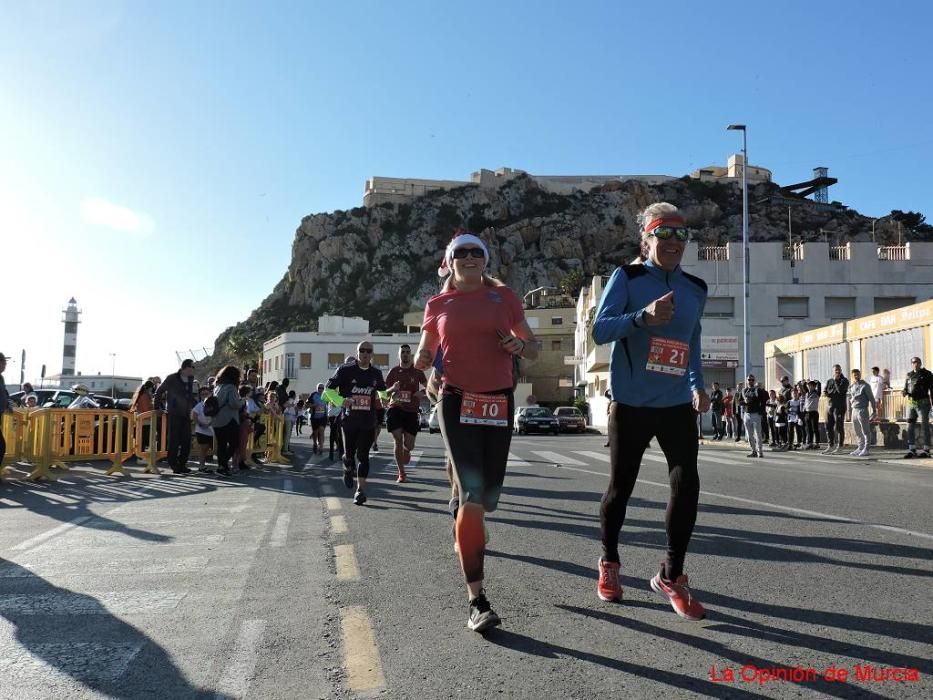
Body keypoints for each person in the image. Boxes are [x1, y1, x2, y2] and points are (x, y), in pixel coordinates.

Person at [587, 203, 709, 621]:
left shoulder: (696, 288)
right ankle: (609, 562)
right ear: (647, 238)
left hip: (676, 404)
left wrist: (699, 387)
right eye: (663, 232)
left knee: (687, 485)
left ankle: (672, 575)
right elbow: (600, 330)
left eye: (681, 233)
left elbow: (691, 344)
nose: (673, 241)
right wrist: (643, 317)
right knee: (620, 489)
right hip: (632, 404)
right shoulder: (629, 277)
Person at [415, 230, 538, 633]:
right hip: (456, 398)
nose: (469, 257)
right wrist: (422, 363)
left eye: (476, 252)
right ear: (449, 262)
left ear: (485, 260)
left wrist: (519, 348)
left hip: (499, 400)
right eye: (461, 253)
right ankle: (477, 601)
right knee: (470, 495)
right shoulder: (438, 303)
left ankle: (471, 519)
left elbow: (533, 346)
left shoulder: (505, 298)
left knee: (488, 498)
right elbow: (425, 349)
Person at [327, 342, 386, 505]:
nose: (365, 353)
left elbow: (382, 392)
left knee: (363, 456)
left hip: (368, 420)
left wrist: (389, 396)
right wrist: (341, 400)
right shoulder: (345, 370)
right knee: (349, 455)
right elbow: (327, 391)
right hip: (349, 420)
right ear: (357, 352)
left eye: (369, 351)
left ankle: (360, 490)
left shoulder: (376, 373)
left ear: (372, 354)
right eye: (362, 350)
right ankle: (347, 468)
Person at [385, 344, 428, 483]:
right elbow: (384, 392)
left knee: (409, 445)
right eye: (402, 352)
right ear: (399, 355)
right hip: (395, 408)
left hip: (411, 411)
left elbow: (429, 387)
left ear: (411, 355)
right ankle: (401, 473)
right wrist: (393, 388)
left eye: (407, 352)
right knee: (397, 439)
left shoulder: (417, 372)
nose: (405, 354)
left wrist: (421, 393)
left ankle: (407, 450)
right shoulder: (393, 372)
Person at [153, 360, 197, 474]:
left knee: (187, 440)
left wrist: (197, 406)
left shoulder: (190, 379)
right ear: (186, 367)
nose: (193, 369)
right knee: (174, 441)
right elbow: (159, 391)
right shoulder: (172, 378)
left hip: (186, 414)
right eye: (192, 367)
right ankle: (174, 465)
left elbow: (189, 395)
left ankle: (182, 464)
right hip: (174, 413)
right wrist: (157, 407)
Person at [212, 365, 243, 476]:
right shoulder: (231, 387)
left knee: (221, 444)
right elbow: (234, 404)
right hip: (229, 419)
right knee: (234, 443)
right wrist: (242, 401)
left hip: (216, 420)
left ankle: (222, 467)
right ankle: (222, 465)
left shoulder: (217, 386)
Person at [902, 357, 933, 458]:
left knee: (924, 426)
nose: (915, 364)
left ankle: (926, 450)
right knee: (910, 426)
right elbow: (906, 388)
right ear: (911, 364)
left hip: (923, 404)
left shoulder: (927, 374)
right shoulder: (909, 375)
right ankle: (912, 449)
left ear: (920, 363)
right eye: (913, 362)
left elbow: (932, 389)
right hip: (911, 404)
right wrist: (904, 391)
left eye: (917, 362)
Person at [848, 369, 876, 457]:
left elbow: (871, 398)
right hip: (854, 409)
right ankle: (860, 447)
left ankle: (866, 449)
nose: (856, 376)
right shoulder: (851, 386)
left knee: (865, 430)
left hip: (862, 409)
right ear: (852, 376)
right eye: (854, 375)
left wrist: (874, 410)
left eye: (858, 375)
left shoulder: (865, 386)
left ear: (860, 375)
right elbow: (850, 398)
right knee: (857, 431)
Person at [823, 364, 849, 455]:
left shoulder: (844, 380)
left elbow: (840, 391)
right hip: (830, 406)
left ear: (841, 370)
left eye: (838, 370)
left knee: (838, 427)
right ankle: (830, 445)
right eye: (835, 370)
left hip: (839, 407)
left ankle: (840, 446)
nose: (837, 371)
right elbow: (825, 391)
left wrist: (836, 381)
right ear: (833, 371)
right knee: (828, 426)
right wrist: (826, 393)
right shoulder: (829, 380)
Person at [740, 375, 768, 458]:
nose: (750, 381)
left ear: (754, 381)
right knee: (749, 435)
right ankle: (753, 451)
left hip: (756, 414)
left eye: (752, 380)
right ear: (747, 380)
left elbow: (764, 401)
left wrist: (761, 412)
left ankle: (760, 451)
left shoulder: (758, 390)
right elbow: (739, 401)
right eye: (749, 379)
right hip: (747, 414)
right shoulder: (744, 390)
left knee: (758, 434)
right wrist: (744, 402)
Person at [191, 386, 215, 472]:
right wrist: (201, 424)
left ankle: (222, 466)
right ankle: (201, 466)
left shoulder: (214, 404)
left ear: (210, 394)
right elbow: (194, 416)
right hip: (202, 430)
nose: (205, 396)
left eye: (206, 394)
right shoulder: (199, 405)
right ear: (200, 396)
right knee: (203, 449)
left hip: (213, 430)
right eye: (202, 394)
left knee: (217, 449)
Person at [867, 366, 884, 446]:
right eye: (872, 371)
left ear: (877, 371)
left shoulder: (880, 378)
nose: (873, 372)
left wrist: (880, 397)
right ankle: (872, 417)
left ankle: (876, 417)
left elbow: (881, 387)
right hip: (872, 395)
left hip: (877, 395)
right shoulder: (871, 378)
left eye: (874, 371)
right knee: (872, 407)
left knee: (877, 407)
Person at [802, 380, 821, 449]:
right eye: (809, 386)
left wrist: (818, 383)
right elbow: (804, 387)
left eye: (811, 386)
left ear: (814, 386)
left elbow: (819, 389)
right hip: (807, 413)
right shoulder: (807, 393)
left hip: (814, 412)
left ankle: (817, 443)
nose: (810, 387)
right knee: (808, 429)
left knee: (815, 428)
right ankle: (810, 443)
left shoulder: (816, 393)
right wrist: (804, 382)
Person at [0, 353, 9, 470]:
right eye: (3, 362)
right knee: (1, 446)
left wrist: (9, 404)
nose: (5, 365)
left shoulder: (1, 378)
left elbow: (5, 394)